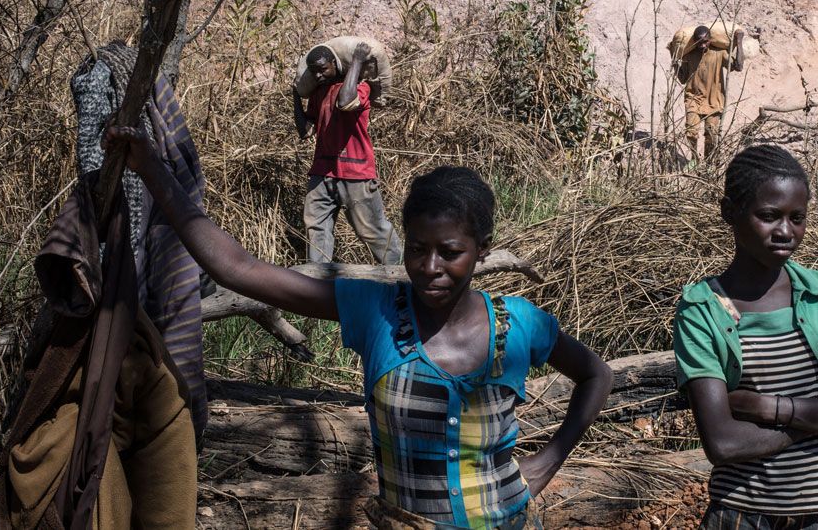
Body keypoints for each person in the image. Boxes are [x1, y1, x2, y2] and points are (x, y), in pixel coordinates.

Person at [105, 126, 615, 529]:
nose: (430, 266)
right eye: (417, 248)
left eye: (450, 252)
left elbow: (597, 374)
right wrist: (151, 167)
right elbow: (238, 269)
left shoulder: (520, 324)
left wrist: (550, 459)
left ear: (482, 251)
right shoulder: (375, 312)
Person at [673, 145, 818, 529]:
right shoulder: (701, 309)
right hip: (741, 514)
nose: (786, 232)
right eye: (769, 216)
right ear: (729, 212)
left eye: (798, 218)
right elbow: (723, 443)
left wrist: (773, 409)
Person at [291, 36, 402, 264]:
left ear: (336, 64)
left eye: (323, 70)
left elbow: (345, 102)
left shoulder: (361, 87)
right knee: (316, 229)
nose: (318, 76)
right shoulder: (318, 94)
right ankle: (318, 286)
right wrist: (295, 95)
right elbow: (305, 131)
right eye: (314, 73)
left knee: (373, 232)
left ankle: (404, 277)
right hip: (322, 172)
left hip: (356, 174)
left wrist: (358, 61)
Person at [674, 26, 729, 161]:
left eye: (706, 41)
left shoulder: (720, 53)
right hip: (693, 98)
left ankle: (709, 163)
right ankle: (694, 159)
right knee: (691, 132)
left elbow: (738, 66)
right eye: (699, 42)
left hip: (714, 100)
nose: (703, 45)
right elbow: (682, 79)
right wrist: (675, 63)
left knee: (711, 135)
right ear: (694, 42)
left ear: (711, 39)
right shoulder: (689, 55)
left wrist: (738, 42)